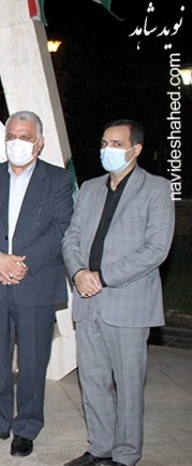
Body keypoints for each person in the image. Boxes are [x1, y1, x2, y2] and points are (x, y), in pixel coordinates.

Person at [62, 119, 174, 466]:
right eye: (104, 143)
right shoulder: (90, 188)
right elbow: (71, 237)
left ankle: (125, 455)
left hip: (128, 303)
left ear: (135, 149)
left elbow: (156, 249)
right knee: (92, 380)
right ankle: (99, 447)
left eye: (115, 144)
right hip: (87, 300)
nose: (106, 150)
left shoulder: (156, 189)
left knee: (128, 385)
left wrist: (103, 277)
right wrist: (79, 273)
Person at [0, 110, 74, 457]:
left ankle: (26, 427)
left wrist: (21, 265)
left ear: (39, 143)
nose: (17, 143)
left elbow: (61, 227)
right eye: (11, 136)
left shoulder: (57, 179)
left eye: (25, 137)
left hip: (36, 284)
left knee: (32, 361)